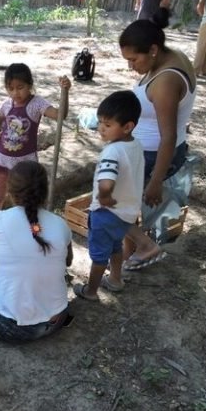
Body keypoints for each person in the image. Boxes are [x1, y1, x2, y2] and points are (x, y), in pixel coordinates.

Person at [0, 161, 74, 343]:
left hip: (17, 328)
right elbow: (67, 262)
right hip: (58, 318)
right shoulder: (61, 225)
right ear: (45, 191)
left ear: (10, 193)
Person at [119, 14, 197, 270]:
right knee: (128, 208)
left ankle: (144, 246)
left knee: (111, 207)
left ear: (153, 50)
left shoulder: (166, 82)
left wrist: (155, 181)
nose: (131, 67)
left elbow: (169, 135)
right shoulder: (169, 55)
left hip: (152, 155)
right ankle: (127, 261)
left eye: (133, 59)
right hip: (147, 152)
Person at [73, 91, 144, 301]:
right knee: (115, 247)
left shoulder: (112, 152)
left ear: (127, 126)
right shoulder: (136, 145)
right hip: (126, 213)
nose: (101, 129)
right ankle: (115, 279)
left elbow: (106, 182)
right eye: (100, 122)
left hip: (106, 213)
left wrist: (104, 196)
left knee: (98, 256)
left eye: (107, 125)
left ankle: (91, 291)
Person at [0, 63, 71, 209]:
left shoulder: (36, 104)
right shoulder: (7, 104)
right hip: (2, 158)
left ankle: (27, 225)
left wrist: (65, 91)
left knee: (24, 198)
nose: (15, 93)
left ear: (30, 85)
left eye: (20, 88)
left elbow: (60, 115)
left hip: (24, 162)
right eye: (10, 88)